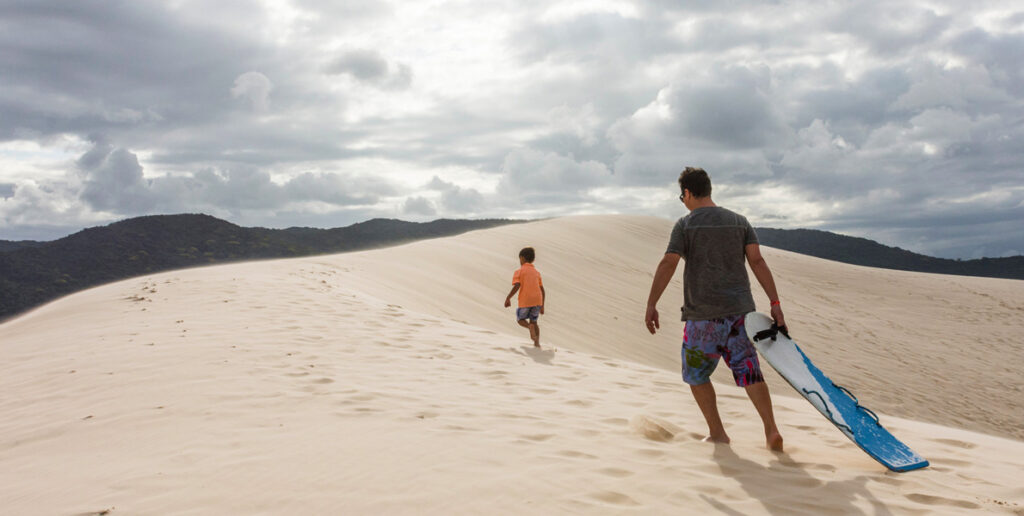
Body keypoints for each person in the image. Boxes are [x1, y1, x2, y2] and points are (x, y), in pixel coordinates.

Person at [644, 167, 786, 451]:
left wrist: (651, 303)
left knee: (696, 375)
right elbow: (757, 262)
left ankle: (718, 432)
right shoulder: (739, 222)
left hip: (701, 318)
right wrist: (775, 305)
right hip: (741, 316)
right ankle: (771, 430)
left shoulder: (685, 225)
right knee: (750, 372)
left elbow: (668, 263)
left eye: (680, 196)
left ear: (687, 193)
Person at [504, 247, 546, 347]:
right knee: (534, 322)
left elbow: (517, 285)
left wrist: (508, 298)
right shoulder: (537, 273)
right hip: (537, 301)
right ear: (533, 260)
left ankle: (529, 326)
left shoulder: (519, 271)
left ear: (522, 258)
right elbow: (542, 290)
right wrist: (542, 305)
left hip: (526, 300)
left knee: (520, 319)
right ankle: (537, 343)